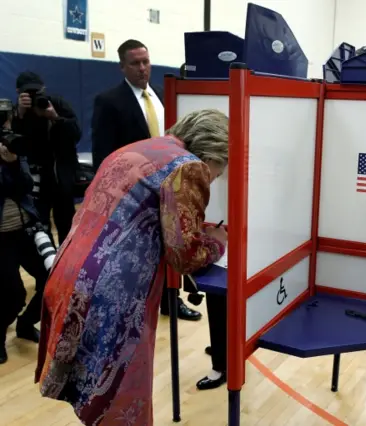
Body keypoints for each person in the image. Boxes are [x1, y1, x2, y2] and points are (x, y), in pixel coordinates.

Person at [35, 108, 229, 425]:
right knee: (122, 403)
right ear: (213, 152)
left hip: (69, 272)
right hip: (113, 294)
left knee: (92, 393)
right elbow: (185, 256)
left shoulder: (137, 148)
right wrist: (217, 241)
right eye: (220, 169)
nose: (217, 176)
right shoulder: (188, 167)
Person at [92, 38, 202, 321]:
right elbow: (103, 155)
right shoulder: (109, 101)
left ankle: (170, 299)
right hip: (133, 192)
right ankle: (136, 304)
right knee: (140, 252)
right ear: (122, 67)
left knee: (170, 243)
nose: (142, 68)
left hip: (169, 185)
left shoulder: (164, 95)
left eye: (146, 61)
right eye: (135, 63)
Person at [0, 99, 51, 364]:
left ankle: (25, 323)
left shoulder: (12, 147)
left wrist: (10, 164)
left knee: (50, 280)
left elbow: (26, 185)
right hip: (1, 237)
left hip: (25, 227)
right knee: (13, 292)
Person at [10, 71, 81, 246]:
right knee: (39, 224)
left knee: (66, 222)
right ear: (18, 92)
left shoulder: (56, 104)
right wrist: (19, 113)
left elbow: (76, 135)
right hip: (35, 178)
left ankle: (66, 262)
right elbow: (13, 143)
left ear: (44, 89)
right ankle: (48, 264)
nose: (34, 97)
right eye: (28, 93)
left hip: (60, 176)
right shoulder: (16, 113)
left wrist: (55, 118)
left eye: (37, 92)